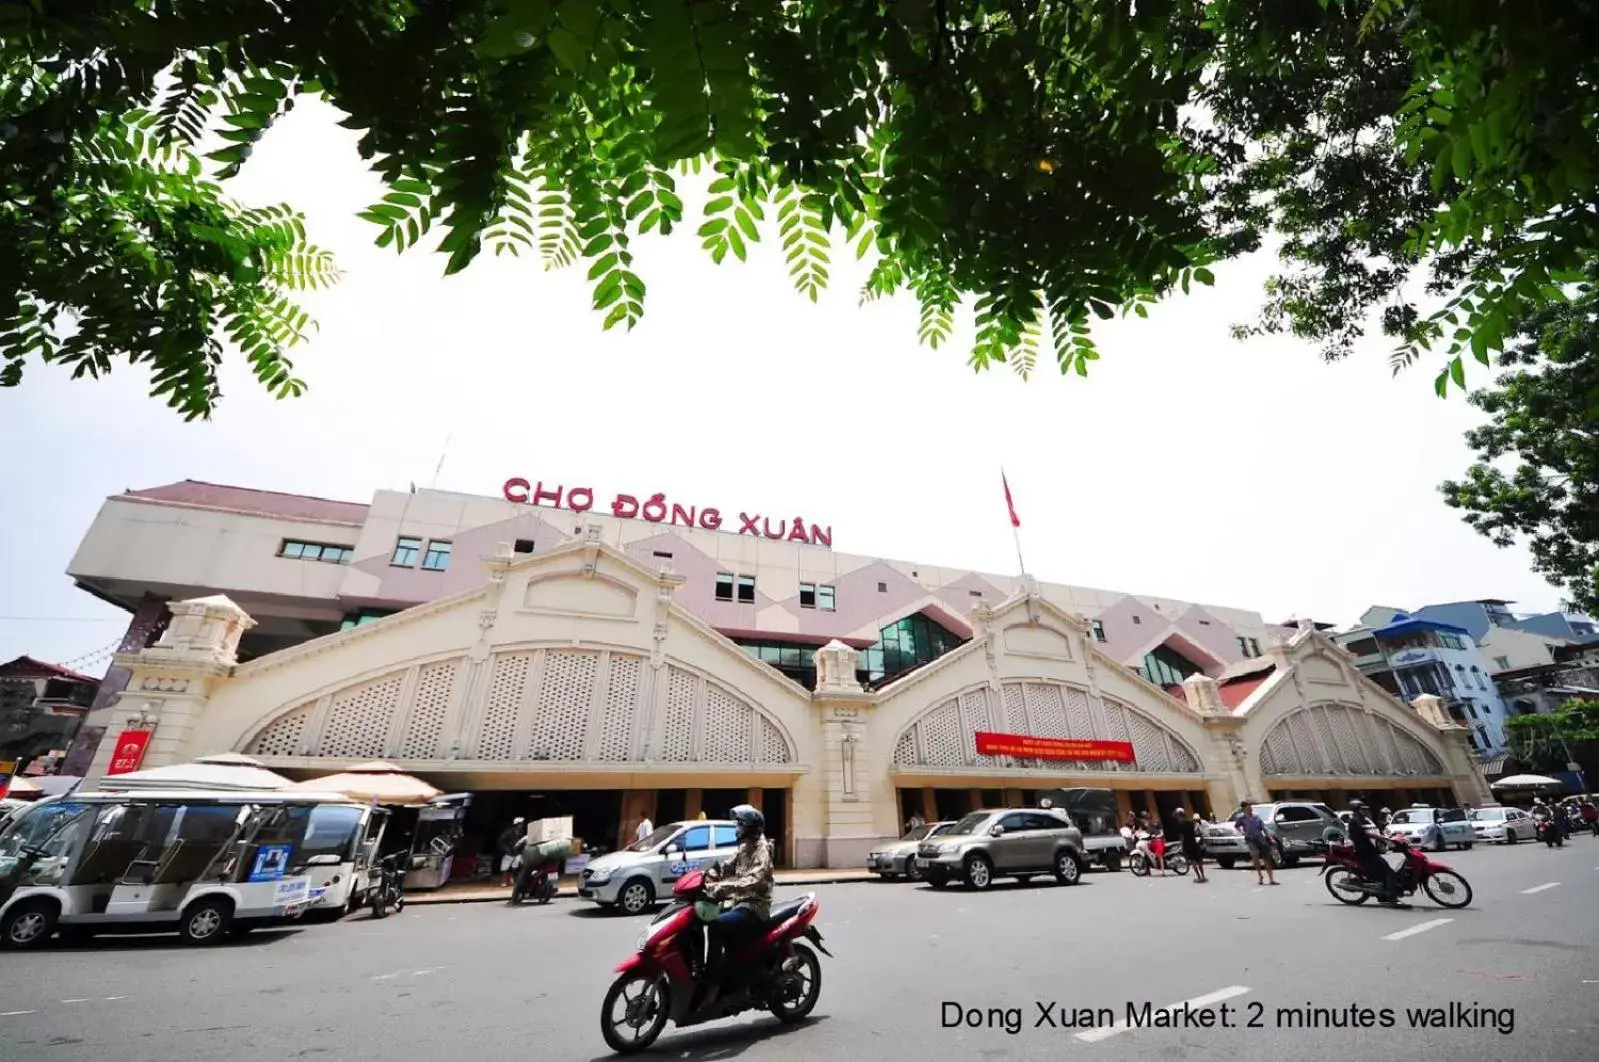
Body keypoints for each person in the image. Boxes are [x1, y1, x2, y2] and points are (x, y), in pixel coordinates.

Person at [692, 804, 774, 1011]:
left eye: (740, 824)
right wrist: (707, 875)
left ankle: (713, 983)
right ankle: (700, 969)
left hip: (755, 908)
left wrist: (721, 888)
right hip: (739, 904)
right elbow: (726, 866)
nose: (737, 828)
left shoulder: (762, 850)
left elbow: (753, 880)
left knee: (716, 926)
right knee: (697, 919)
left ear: (751, 827)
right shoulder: (745, 847)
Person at [1347, 799, 1401, 905]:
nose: (1365, 811)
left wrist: (1392, 836)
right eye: (1362, 809)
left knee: (1378, 874)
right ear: (1357, 810)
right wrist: (1383, 838)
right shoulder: (1355, 821)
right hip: (1365, 852)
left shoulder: (1365, 820)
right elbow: (1367, 834)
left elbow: (1376, 830)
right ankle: (1392, 897)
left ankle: (1381, 896)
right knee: (1390, 873)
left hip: (1372, 850)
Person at [1236, 801, 1278, 886]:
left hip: (1260, 838)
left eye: (1250, 807)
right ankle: (1260, 876)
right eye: (1248, 807)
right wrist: (1242, 832)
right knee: (1255, 857)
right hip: (1250, 840)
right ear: (1244, 809)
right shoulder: (1241, 818)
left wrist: (1270, 838)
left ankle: (1271, 879)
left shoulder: (1256, 816)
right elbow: (1237, 826)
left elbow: (1264, 828)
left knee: (1267, 858)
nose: (1250, 809)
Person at [1176, 808, 1206, 883]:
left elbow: (1182, 837)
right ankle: (1203, 876)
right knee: (1199, 861)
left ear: (1179, 816)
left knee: (1193, 861)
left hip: (1187, 844)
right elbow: (1194, 832)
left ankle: (1198, 877)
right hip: (1194, 842)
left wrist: (1181, 846)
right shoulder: (1190, 823)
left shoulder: (1180, 825)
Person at [496, 817, 525, 887]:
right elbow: (500, 840)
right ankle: (504, 881)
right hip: (509, 852)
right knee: (505, 867)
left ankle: (511, 878)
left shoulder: (521, 833)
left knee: (516, 866)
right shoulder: (509, 832)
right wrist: (506, 849)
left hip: (517, 852)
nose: (522, 825)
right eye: (521, 824)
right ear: (517, 824)